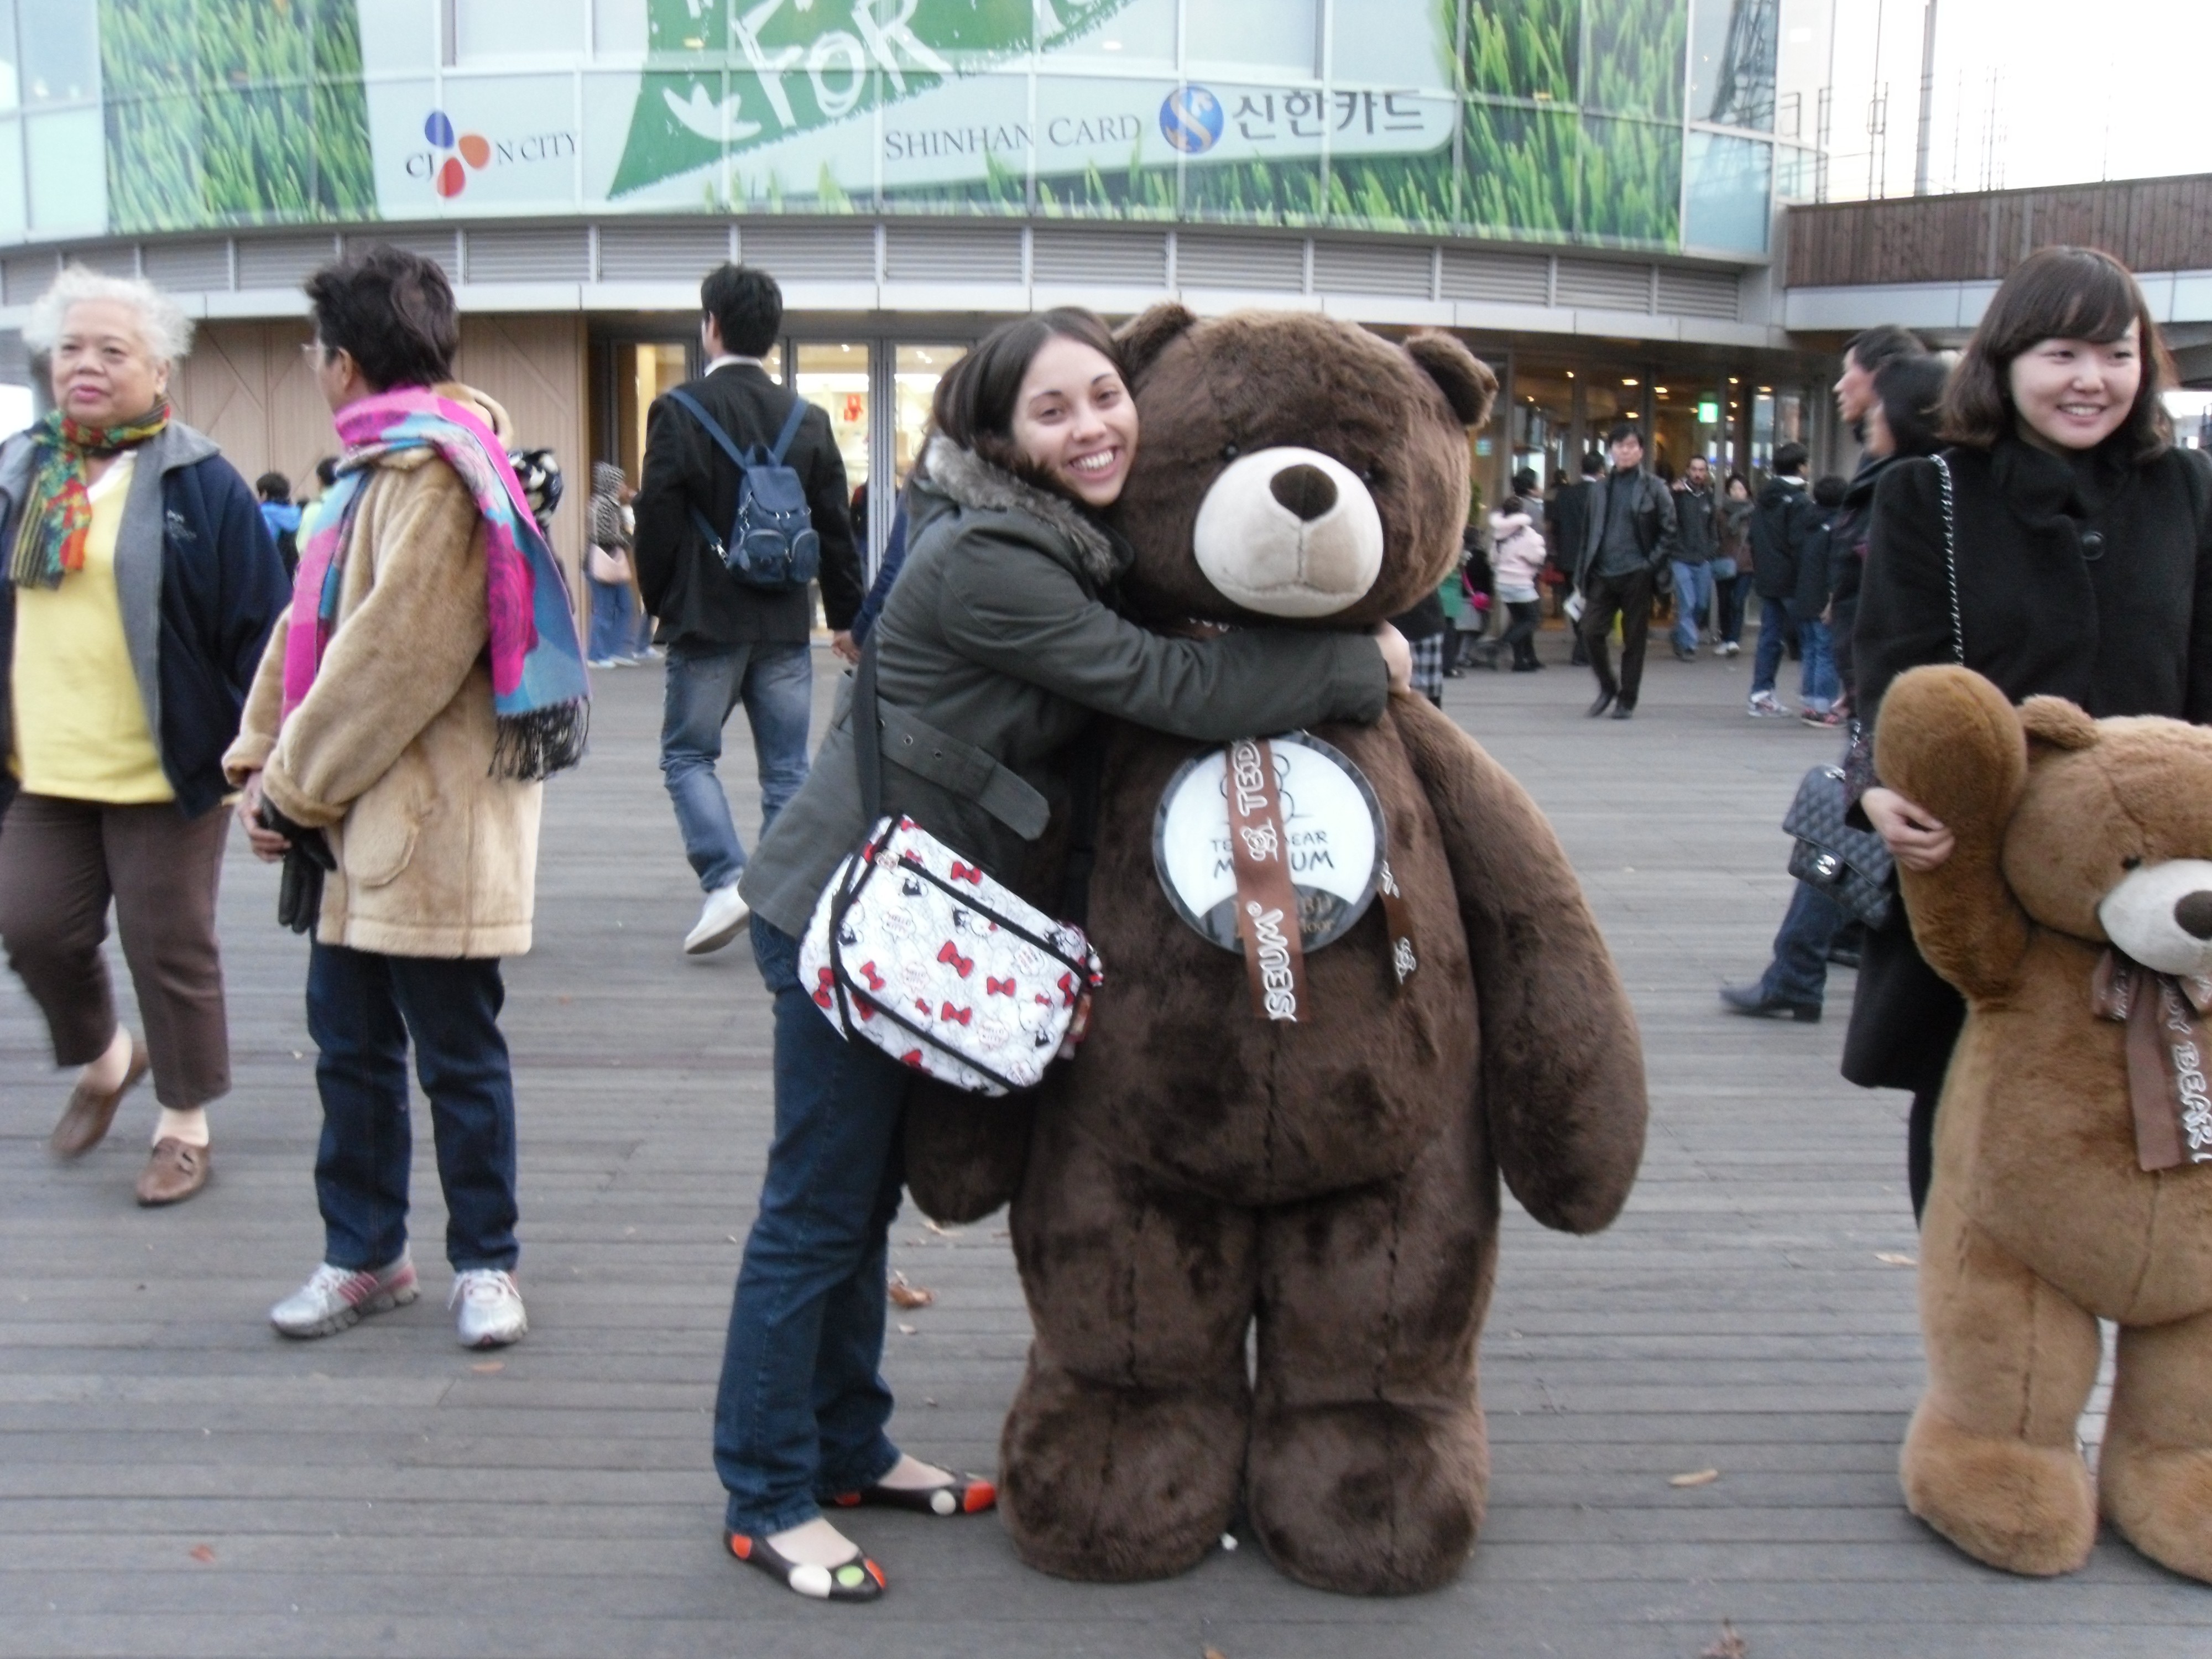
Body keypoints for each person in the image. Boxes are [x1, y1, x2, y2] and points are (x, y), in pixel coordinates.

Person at [711, 309, 1412, 1603]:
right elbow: (1169, 688)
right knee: (816, 1207)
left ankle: (849, 1441)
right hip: (847, 921)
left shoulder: (1056, 541)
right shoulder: (995, 560)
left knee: (856, 1204)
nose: (1093, 424)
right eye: (1053, 409)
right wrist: (1352, 665)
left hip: (912, 918)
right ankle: (765, 1486)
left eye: (1104, 393)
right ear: (995, 437)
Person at [229, 244, 589, 1346]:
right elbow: (311, 629)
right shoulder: (377, 469)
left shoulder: (436, 473)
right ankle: (364, 1254)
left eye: (311, 353)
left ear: (342, 364)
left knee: (454, 1055)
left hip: (427, 823)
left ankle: (486, 1260)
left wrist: (288, 790)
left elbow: (390, 661)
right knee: (350, 1051)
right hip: (358, 822)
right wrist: (258, 759)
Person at [1844, 246, 2212, 1222]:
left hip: (2157, 872)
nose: (2093, 379)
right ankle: (1986, 1351)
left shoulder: (2187, 491)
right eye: (2062, 353)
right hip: (1987, 867)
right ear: (2005, 360)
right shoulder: (1932, 493)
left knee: (2165, 1124)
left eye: (2118, 353)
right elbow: (1890, 674)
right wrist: (1874, 785)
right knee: (1969, 1124)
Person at [0, 267, 288, 1206]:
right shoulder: (19, 471)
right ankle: (104, 1055)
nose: (84, 366)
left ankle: (183, 1121)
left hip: (166, 766)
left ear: (158, 370)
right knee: (34, 928)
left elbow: (262, 626)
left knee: (169, 943)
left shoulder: (200, 482)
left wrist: (263, 758)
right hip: (42, 764)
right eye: (71, 349)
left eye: (111, 351)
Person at [634, 264, 865, 957]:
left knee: (687, 756)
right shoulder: (809, 420)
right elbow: (834, 530)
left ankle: (727, 877)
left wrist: (661, 601)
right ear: (770, 333)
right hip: (787, 623)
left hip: (707, 619)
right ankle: (783, 900)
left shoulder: (678, 410)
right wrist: (848, 617)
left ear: (711, 327)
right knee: (787, 770)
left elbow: (659, 521)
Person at [1723, 353, 1954, 1026]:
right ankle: (1831, 947)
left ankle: (1797, 969)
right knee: (1863, 826)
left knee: (1845, 827)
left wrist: (1867, 689)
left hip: (1904, 703)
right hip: (1886, 692)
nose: (1857, 409)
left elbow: (1894, 605)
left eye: (1870, 400)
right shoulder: (1900, 478)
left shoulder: (1914, 487)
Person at [1573, 423, 1678, 719]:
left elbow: (1670, 531)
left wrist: (1649, 566)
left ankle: (1627, 700)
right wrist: (1582, 574)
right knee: (1590, 631)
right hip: (1603, 573)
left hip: (1637, 574)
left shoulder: (1655, 487)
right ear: (1612, 451)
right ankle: (1608, 686)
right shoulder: (1600, 489)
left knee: (1635, 640)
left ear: (1642, 451)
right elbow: (1588, 534)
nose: (1626, 451)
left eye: (1632, 446)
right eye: (1620, 446)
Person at [1744, 441, 1820, 716]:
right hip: (1791, 578)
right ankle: (1815, 698)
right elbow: (1800, 543)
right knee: (1813, 638)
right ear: (1801, 466)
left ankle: (1761, 694)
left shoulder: (1765, 498)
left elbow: (1754, 537)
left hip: (1767, 577)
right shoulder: (1799, 501)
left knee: (1770, 636)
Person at [586, 461, 653, 666]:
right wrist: (628, 538)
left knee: (626, 607)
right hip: (602, 563)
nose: (624, 486)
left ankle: (615, 650)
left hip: (612, 563)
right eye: (620, 482)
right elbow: (603, 535)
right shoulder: (602, 505)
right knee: (605, 611)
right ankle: (596, 655)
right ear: (611, 483)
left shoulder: (613, 505)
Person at [1794, 474, 1849, 723]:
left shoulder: (1807, 522)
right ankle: (1823, 705)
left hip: (1804, 595)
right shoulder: (1838, 526)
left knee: (1810, 650)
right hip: (1822, 596)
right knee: (1826, 650)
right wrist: (1832, 600)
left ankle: (1809, 701)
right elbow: (1834, 567)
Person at [1488, 494, 1547, 671]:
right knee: (1532, 618)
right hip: (1521, 582)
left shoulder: (1499, 534)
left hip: (1503, 583)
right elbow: (1536, 556)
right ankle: (1502, 644)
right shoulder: (1526, 533)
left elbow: (1493, 557)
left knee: (1519, 620)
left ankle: (1522, 661)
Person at [1669, 454, 1718, 659]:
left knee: (1701, 605)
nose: (1698, 474)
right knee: (1687, 602)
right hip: (1680, 557)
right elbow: (1663, 514)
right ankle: (1688, 646)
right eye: (1694, 469)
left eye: (1702, 470)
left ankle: (1678, 635)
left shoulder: (1708, 496)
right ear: (1688, 471)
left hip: (1702, 559)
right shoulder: (1679, 494)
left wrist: (1711, 548)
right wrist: (1672, 493)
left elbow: (1712, 527)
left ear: (1706, 473)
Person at [1712, 472, 1754, 655]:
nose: (1738, 492)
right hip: (1724, 562)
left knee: (1738, 602)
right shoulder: (1720, 513)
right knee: (1725, 603)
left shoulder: (1754, 513)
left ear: (1747, 492)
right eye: (1734, 489)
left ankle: (1734, 640)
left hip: (1747, 564)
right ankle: (1726, 638)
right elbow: (1714, 536)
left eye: (1741, 489)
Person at [255, 471, 302, 577]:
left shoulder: (263, 516)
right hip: (296, 574)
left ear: (264, 494)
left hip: (272, 576)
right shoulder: (298, 514)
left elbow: (260, 550)